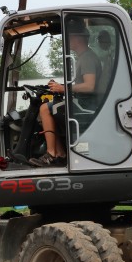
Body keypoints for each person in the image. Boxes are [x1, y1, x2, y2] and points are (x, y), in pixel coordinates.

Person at [29, 23, 101, 167]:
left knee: (45, 109)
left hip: (87, 104)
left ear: (79, 38)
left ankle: (51, 153)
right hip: (84, 101)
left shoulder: (87, 58)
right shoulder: (84, 56)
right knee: (52, 110)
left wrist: (63, 88)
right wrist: (60, 87)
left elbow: (89, 86)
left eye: (69, 37)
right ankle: (61, 153)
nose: (67, 40)